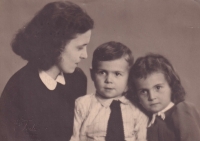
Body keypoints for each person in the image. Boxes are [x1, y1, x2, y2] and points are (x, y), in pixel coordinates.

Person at [0, 1, 94, 141]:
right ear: (55, 43)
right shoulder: (18, 89)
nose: (85, 55)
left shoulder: (78, 79)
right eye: (79, 47)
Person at [70, 41, 148, 141]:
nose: (109, 80)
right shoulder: (83, 104)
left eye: (117, 74)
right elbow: (75, 138)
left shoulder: (137, 108)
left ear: (129, 77)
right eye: (102, 72)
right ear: (92, 74)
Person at [129, 53, 200, 141]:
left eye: (158, 88)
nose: (152, 97)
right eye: (144, 91)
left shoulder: (182, 110)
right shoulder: (146, 120)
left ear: (171, 86)